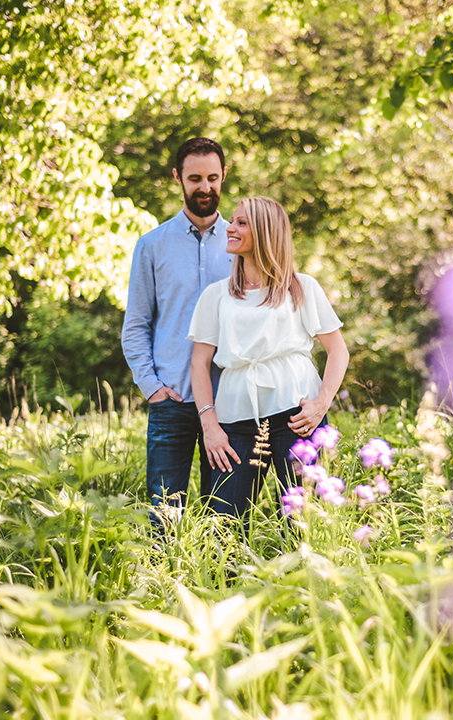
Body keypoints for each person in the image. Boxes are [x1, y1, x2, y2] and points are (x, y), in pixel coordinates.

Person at [187, 196, 349, 519]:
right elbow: (199, 364)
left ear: (265, 232)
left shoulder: (302, 288)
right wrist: (209, 426)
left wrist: (321, 404)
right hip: (235, 422)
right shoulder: (216, 296)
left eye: (241, 223)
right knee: (223, 525)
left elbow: (338, 351)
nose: (229, 228)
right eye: (232, 221)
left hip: (297, 416)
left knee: (303, 522)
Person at [121, 137, 233, 527]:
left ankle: (224, 588)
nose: (205, 187)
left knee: (227, 519)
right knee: (164, 520)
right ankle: (165, 588)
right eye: (195, 178)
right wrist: (151, 386)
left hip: (228, 401)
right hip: (172, 401)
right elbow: (135, 325)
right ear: (178, 178)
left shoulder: (242, 243)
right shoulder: (152, 246)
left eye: (213, 178)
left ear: (223, 177)